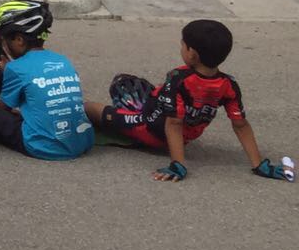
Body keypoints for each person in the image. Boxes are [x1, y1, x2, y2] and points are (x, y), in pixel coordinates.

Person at [84, 19, 289, 182]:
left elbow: (173, 123)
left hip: (148, 127)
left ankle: (88, 112)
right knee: (129, 84)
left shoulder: (178, 78)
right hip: (184, 132)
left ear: (192, 55)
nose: (181, 47)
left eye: (183, 44)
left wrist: (178, 165)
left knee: (95, 106)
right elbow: (240, 124)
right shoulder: (229, 84)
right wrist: (259, 164)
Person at [0, 0, 92, 160]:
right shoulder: (63, 60)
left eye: (3, 40)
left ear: (19, 40)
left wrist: (6, 71)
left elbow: (3, 109)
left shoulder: (15, 67)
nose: (2, 45)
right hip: (81, 142)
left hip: (42, 146)